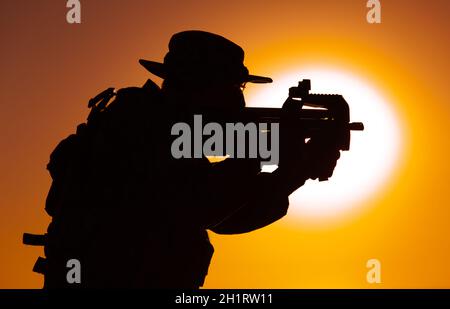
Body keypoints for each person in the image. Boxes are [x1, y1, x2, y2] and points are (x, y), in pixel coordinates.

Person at [27, 30, 340, 288]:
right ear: (201, 85)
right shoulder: (139, 125)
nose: (239, 99)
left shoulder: (156, 124)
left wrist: (293, 173)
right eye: (235, 86)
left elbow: (225, 219)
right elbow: (202, 206)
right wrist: (260, 154)